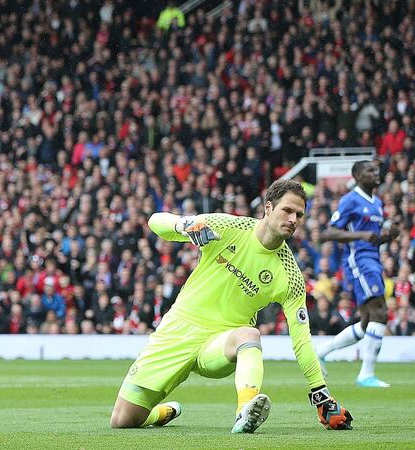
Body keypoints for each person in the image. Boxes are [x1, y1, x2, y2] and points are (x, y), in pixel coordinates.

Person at [110, 180, 353, 433]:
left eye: (299, 215)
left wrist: (321, 395)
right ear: (268, 208)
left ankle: (245, 412)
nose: (293, 219)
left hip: (220, 344)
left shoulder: (290, 275)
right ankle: (167, 411)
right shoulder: (228, 227)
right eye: (287, 211)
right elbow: (155, 221)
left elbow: (301, 340)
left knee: (250, 334)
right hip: (178, 330)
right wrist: (185, 225)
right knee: (123, 421)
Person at [316, 160, 399, 388]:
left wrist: (387, 236)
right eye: (369, 171)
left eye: (376, 170)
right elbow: (329, 232)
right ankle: (366, 374)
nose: (375, 173)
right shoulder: (350, 199)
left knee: (365, 324)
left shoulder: (378, 203)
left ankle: (321, 352)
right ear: (357, 175)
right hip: (359, 261)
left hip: (372, 259)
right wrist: (361, 236)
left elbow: (372, 237)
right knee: (380, 312)